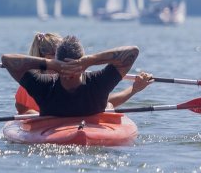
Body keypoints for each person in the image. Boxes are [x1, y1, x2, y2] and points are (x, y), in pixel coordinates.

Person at [15, 32, 153, 115]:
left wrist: (133, 90)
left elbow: (101, 100)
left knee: (108, 106)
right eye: (57, 57)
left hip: (76, 124)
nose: (64, 60)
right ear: (45, 58)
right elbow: (20, 108)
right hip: (45, 127)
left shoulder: (80, 79)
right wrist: (31, 114)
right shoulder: (33, 84)